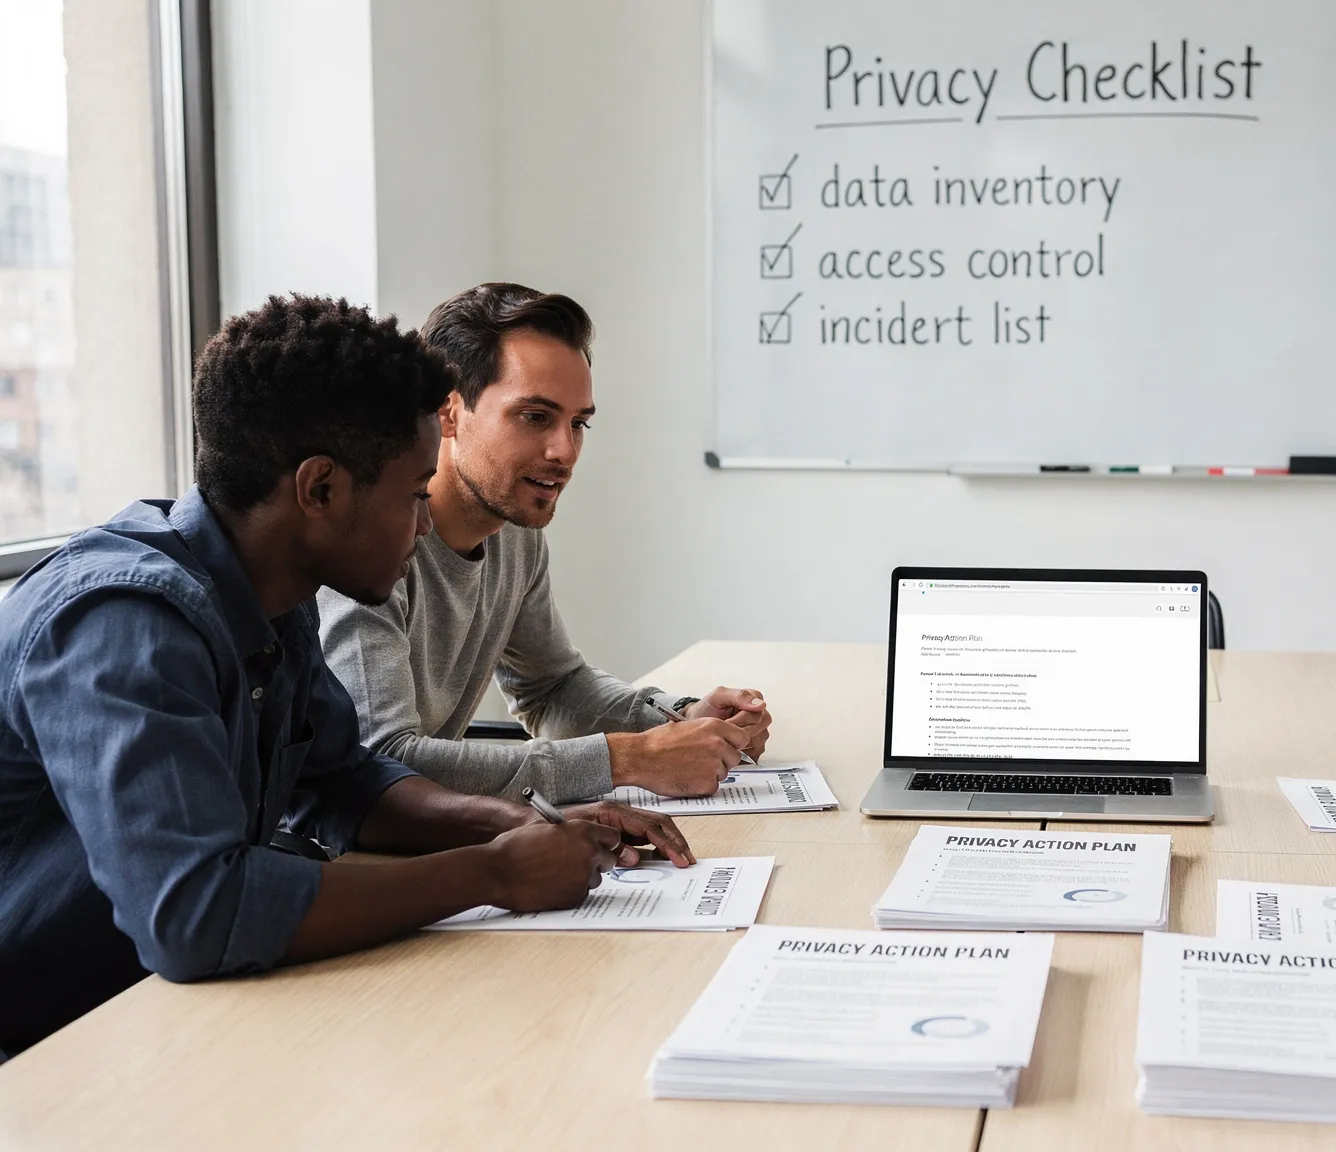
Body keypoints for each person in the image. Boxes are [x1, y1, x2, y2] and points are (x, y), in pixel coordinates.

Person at [0, 296, 693, 1056]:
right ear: (320, 490)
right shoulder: (123, 625)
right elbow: (198, 915)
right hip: (42, 1053)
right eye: (410, 497)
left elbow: (344, 781)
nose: (427, 523)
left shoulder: (274, 594)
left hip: (151, 1017)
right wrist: (491, 874)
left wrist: (518, 821)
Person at [319, 284, 770, 804]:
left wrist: (677, 714)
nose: (564, 450)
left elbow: (551, 688)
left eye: (578, 423)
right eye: (535, 417)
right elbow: (385, 761)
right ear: (448, 411)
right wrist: (629, 759)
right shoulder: (366, 547)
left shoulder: (512, 530)